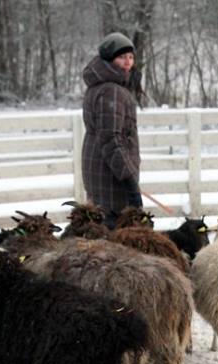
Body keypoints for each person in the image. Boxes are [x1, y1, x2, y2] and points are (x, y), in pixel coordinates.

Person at [81, 32, 142, 229]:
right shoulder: (112, 91)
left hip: (101, 166)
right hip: (111, 174)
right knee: (115, 228)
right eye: (122, 57)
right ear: (109, 60)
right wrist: (129, 179)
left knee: (101, 224)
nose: (128, 62)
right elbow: (110, 138)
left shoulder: (102, 85)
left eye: (131, 57)